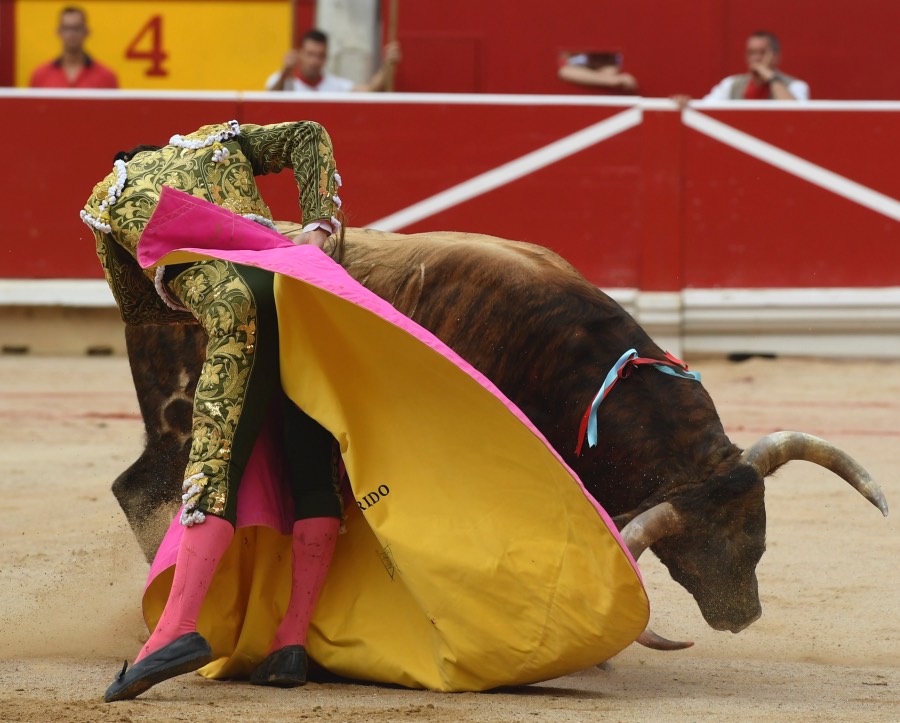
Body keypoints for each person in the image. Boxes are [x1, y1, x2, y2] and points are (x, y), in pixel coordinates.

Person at [81, 120, 345, 701]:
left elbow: (138, 310)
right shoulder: (219, 142)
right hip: (301, 289)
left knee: (214, 460)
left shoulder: (110, 192)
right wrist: (316, 231)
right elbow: (309, 134)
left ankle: (177, 629)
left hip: (233, 307)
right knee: (310, 460)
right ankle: (291, 640)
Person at [265, 28, 401, 92]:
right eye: (310, 54)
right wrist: (286, 71)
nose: (314, 61)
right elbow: (270, 98)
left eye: (320, 55)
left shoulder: (335, 85)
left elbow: (368, 90)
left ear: (326, 58)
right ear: (300, 54)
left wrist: (388, 65)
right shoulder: (284, 81)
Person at [30, 6, 119, 89]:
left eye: (77, 28)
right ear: (59, 31)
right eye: (67, 28)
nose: (71, 34)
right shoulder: (41, 75)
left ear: (86, 31)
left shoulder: (106, 77)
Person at [704, 30, 809, 101]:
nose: (756, 58)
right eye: (751, 53)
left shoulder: (795, 86)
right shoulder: (731, 84)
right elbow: (705, 109)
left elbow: (796, 115)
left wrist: (771, 78)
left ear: (776, 56)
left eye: (762, 52)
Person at [557, 52, 638, 93]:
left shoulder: (621, 60)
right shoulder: (578, 60)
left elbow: (610, 71)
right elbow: (563, 71)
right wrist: (612, 80)